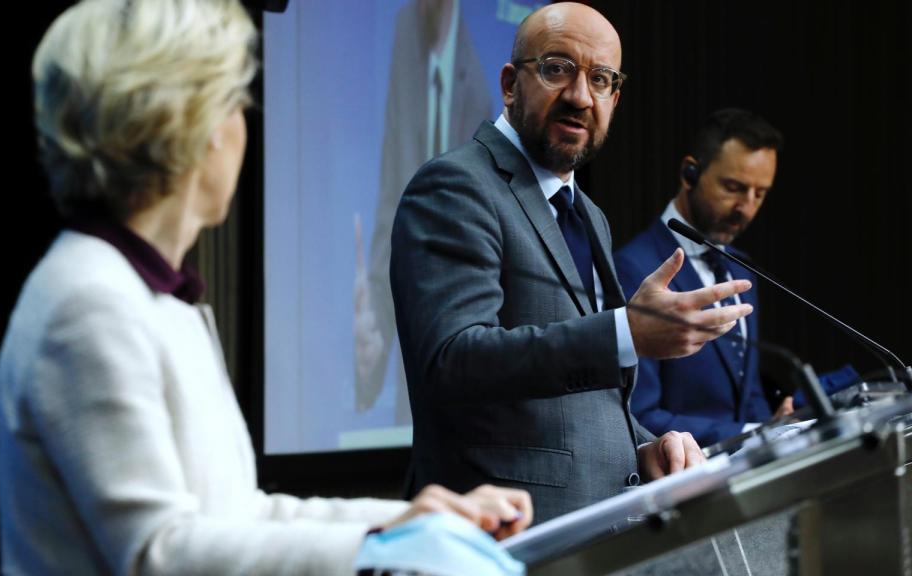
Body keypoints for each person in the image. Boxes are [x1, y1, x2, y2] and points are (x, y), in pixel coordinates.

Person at [0, 1, 531, 574]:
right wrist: (368, 551)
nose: (242, 125)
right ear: (192, 127)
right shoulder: (90, 303)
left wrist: (407, 521)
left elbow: (234, 514)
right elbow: (158, 552)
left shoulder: (148, 296)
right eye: (235, 104)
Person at [390, 2, 751, 522]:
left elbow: (581, 402)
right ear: (511, 84)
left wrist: (646, 447)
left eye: (600, 79)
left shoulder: (589, 216)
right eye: (558, 69)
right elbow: (452, 359)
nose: (581, 96)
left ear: (615, 97)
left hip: (596, 531)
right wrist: (625, 334)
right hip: (504, 531)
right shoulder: (457, 186)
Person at [616, 108, 858, 446]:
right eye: (734, 187)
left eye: (760, 194)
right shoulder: (635, 268)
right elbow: (639, 415)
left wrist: (778, 423)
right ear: (690, 173)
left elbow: (748, 394)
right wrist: (752, 435)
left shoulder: (742, 269)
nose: (746, 207)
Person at [353, 0, 492, 420]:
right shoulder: (407, 30)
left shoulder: (480, 92)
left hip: (463, 365)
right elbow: (391, 195)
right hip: (413, 349)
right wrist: (375, 326)